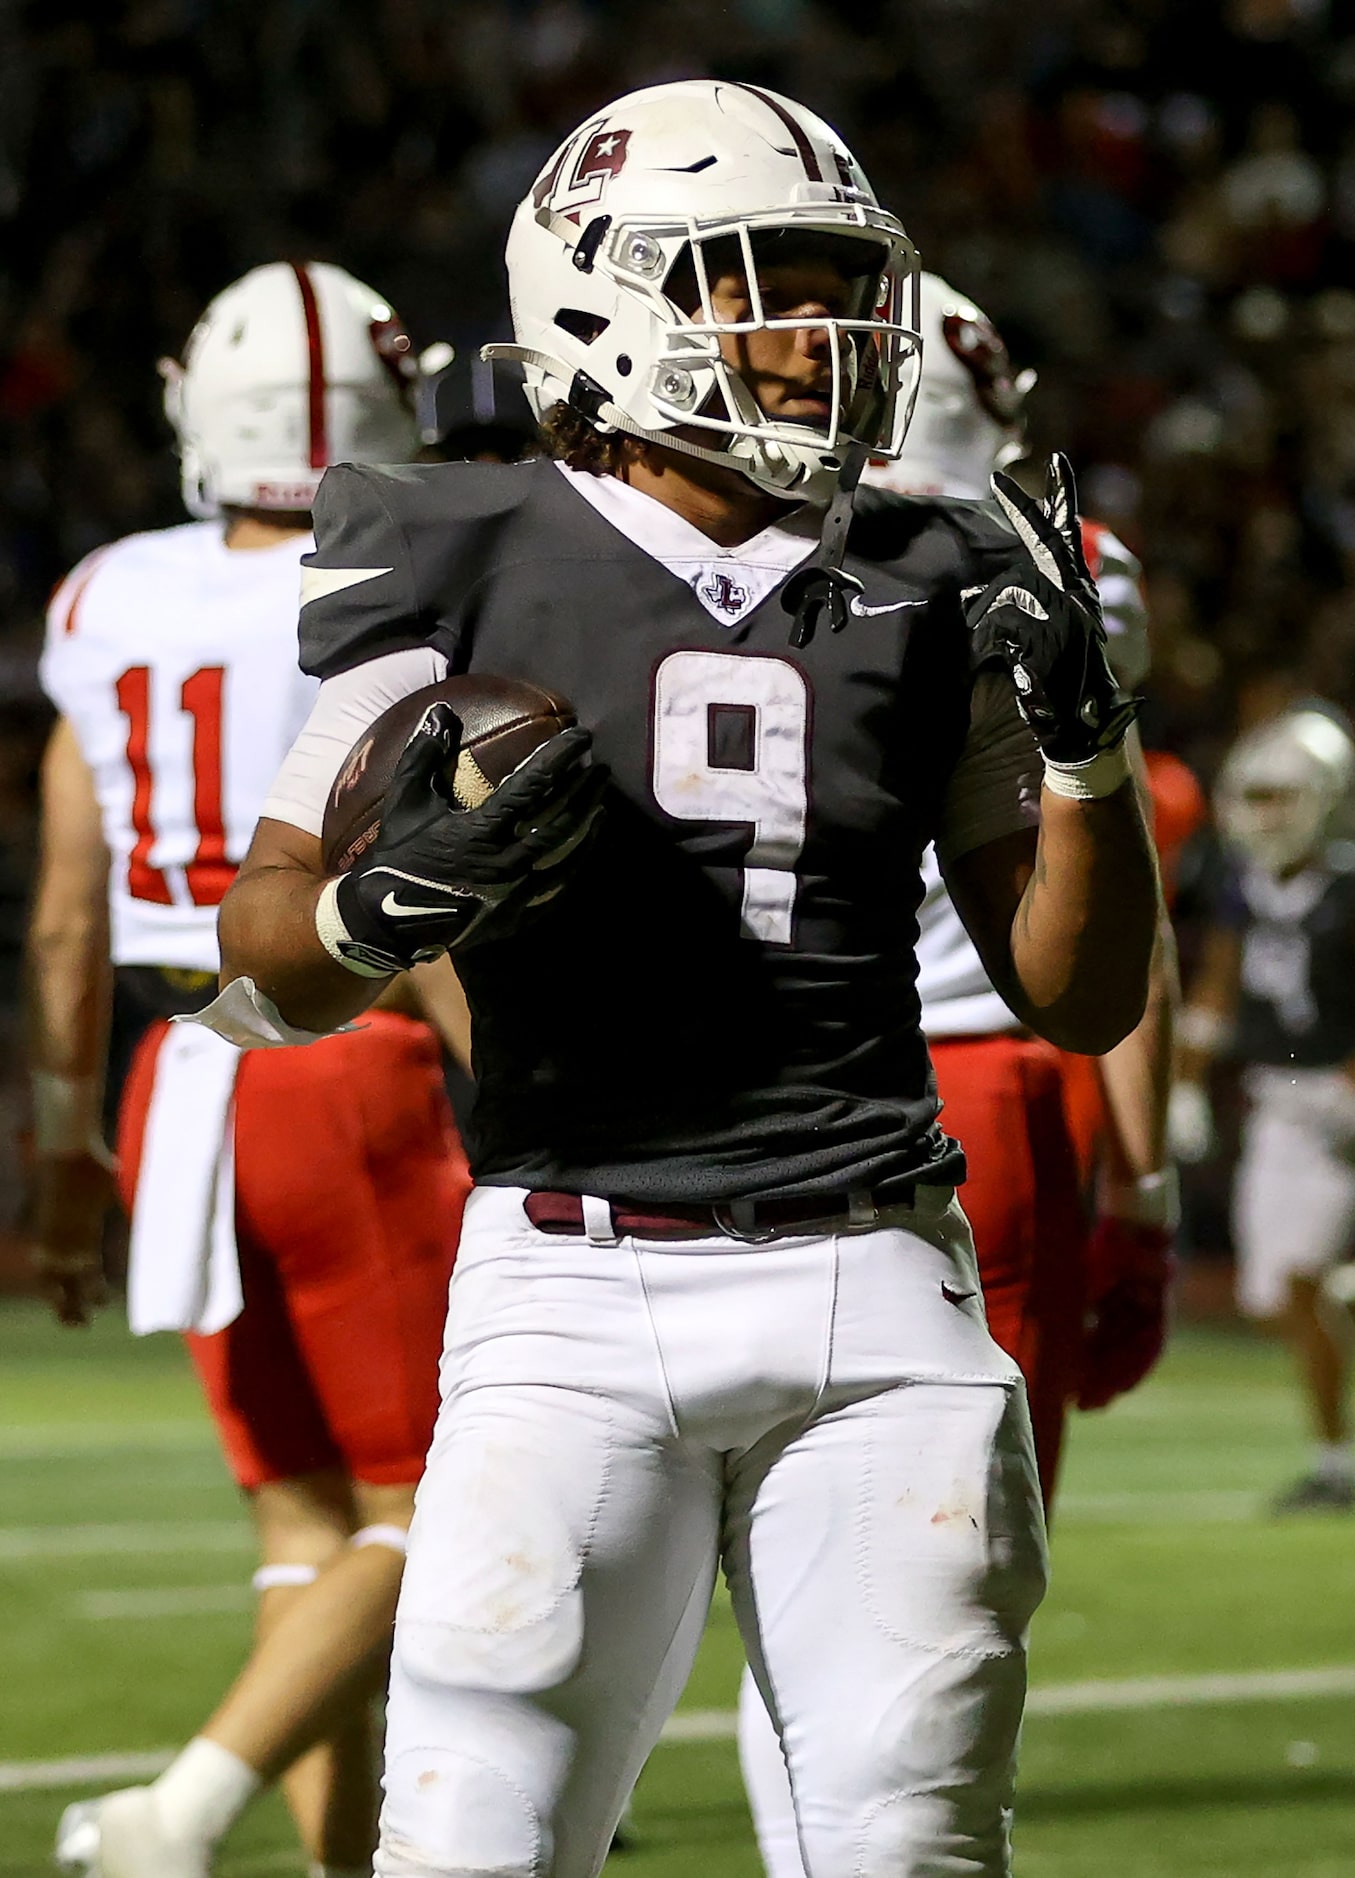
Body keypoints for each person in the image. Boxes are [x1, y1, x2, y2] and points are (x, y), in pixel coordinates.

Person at [207, 82, 1158, 1878]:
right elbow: (268, 938)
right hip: (571, 1276)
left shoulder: (930, 570)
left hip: (878, 1274)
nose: (826, 339)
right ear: (603, 296)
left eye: (838, 288)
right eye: (765, 284)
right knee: (476, 1845)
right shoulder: (448, 546)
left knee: (907, 1847)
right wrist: (370, 912)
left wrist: (1090, 760)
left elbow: (1075, 990)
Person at [28, 261, 471, 1878]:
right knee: (435, 1510)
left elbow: (69, 923)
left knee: (301, 1527)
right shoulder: (407, 578)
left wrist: (65, 1144)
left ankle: (339, 1867)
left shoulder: (101, 594)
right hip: (336, 1057)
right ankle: (180, 1811)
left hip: (174, 1074)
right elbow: (434, 888)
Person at [736, 267, 1179, 1878]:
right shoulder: (1041, 559)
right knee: (947, 1551)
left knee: (790, 1528)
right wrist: (1153, 1172)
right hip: (978, 1072)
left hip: (761, 1078)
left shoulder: (728, 535)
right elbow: (1118, 909)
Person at [1173, 705, 1355, 1514]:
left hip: (1344, 1097)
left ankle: (1332, 1467)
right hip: (1277, 1100)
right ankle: (1352, 1292)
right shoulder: (1241, 886)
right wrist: (1186, 1083)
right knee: (1271, 1300)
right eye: (1253, 798)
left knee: (1295, 1285)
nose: (1266, 817)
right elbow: (1215, 996)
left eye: (1282, 798)